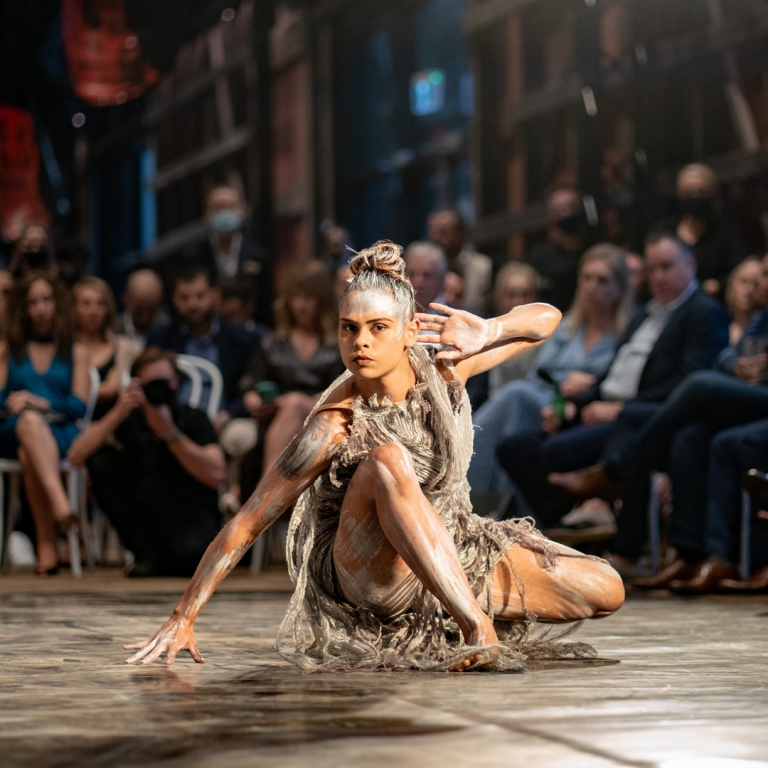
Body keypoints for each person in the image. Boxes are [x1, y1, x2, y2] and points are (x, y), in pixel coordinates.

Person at [124, 240, 624, 671]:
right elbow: (248, 521)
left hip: (450, 546)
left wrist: (490, 331)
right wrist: (182, 616)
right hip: (371, 573)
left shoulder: (445, 368)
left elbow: (548, 319)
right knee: (387, 458)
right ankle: (477, 631)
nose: (360, 341)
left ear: (410, 331)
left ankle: (457, 610)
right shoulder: (334, 421)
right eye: (348, 328)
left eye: (378, 327)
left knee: (607, 587)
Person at [501, 230, 730, 530]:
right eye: (652, 270)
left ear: (690, 265)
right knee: (514, 448)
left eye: (667, 267)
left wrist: (620, 407)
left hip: (640, 414)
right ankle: (568, 526)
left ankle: (594, 519)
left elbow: (685, 383)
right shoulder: (648, 313)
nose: (658, 277)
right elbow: (611, 375)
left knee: (553, 450)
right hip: (607, 406)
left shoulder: (702, 311)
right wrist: (573, 403)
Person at [468, 245, 632, 496]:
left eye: (602, 280)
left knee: (516, 396)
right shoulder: (567, 326)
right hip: (547, 396)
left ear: (619, 288)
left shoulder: (626, 333)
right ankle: (492, 492)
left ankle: (463, 460)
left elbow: (621, 377)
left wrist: (590, 384)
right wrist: (565, 379)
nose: (592, 286)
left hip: (584, 406)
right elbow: (538, 371)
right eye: (587, 278)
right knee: (517, 401)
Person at [68, 348, 225, 577]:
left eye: (165, 382)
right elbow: (75, 457)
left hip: (189, 512)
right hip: (145, 515)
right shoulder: (128, 418)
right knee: (102, 460)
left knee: (189, 558)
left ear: (177, 383)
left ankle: (159, 559)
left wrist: (170, 434)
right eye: (151, 383)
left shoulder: (193, 418)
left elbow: (216, 474)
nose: (158, 389)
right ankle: (146, 554)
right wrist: (117, 413)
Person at [0, 273, 90, 575]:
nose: (41, 308)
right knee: (27, 423)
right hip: (15, 429)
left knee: (30, 450)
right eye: (33, 301)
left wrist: (40, 402)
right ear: (22, 308)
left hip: (62, 431)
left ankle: (46, 542)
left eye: (47, 300)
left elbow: (79, 404)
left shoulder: (75, 350)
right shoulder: (9, 349)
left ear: (58, 304)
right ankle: (63, 509)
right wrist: (16, 401)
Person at [239, 260, 344, 482]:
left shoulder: (338, 343)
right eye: (296, 297)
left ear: (322, 300)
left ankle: (264, 491)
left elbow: (341, 390)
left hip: (323, 413)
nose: (301, 305)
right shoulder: (273, 342)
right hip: (276, 417)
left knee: (296, 403)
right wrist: (259, 403)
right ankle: (268, 496)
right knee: (292, 408)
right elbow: (250, 387)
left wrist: (297, 402)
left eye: (308, 297)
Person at [147, 264, 258, 431]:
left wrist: (228, 414)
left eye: (200, 296)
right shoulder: (161, 338)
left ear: (216, 295)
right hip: (173, 420)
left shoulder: (241, 339)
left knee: (242, 434)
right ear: (174, 300)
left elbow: (251, 389)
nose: (193, 304)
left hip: (223, 421)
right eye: (185, 298)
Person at [183, 185, 273, 327]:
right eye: (218, 208)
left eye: (230, 207)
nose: (224, 214)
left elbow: (266, 305)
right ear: (206, 214)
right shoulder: (192, 258)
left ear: (242, 211)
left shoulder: (259, 257)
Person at [673, 163, 746, 298]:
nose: (695, 197)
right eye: (688, 193)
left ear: (714, 193)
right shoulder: (667, 231)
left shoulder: (726, 233)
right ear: (679, 195)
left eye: (701, 192)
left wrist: (718, 284)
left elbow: (740, 270)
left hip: (713, 302)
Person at [73, 277, 141, 419]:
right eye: (86, 303)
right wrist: (106, 389)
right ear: (73, 308)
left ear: (108, 308)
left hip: (117, 424)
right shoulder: (63, 348)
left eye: (100, 304)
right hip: (72, 422)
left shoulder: (127, 349)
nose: (93, 311)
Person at [526, 188, 586, 312]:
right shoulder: (540, 256)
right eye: (558, 209)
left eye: (570, 207)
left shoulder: (589, 250)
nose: (566, 213)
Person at [486, 262, 542, 396]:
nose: (519, 302)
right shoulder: (488, 336)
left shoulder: (548, 336)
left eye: (526, 294)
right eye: (511, 295)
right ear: (499, 298)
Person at [428, 208, 492, 315]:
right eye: (433, 232)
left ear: (461, 233)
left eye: (443, 232)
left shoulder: (482, 267)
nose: (436, 238)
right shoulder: (427, 266)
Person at [115, 268, 166, 346]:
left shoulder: (169, 331)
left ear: (161, 301)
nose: (144, 318)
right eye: (138, 311)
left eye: (151, 311)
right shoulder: (110, 331)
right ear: (126, 300)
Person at [725, 256, 763, 347]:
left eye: (756, 284)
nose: (749, 289)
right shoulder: (719, 323)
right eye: (743, 281)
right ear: (732, 284)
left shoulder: (763, 327)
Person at [404, 241, 449, 310]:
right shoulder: (390, 315)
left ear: (441, 280)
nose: (418, 283)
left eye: (427, 275)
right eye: (411, 274)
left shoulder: (458, 318)